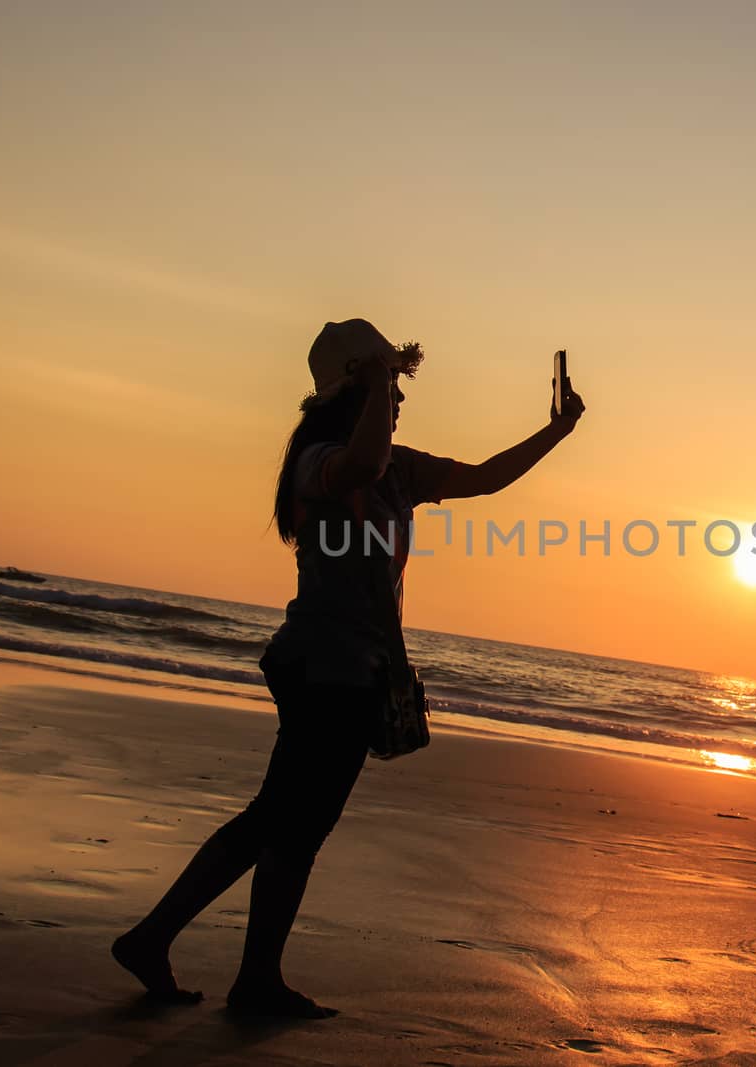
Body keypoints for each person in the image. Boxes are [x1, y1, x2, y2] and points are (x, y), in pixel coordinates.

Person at [112, 318, 586, 1016]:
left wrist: (558, 430)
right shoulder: (323, 461)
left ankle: (206, 958)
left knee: (283, 822)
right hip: (320, 668)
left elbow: (485, 480)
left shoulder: (399, 465)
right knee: (286, 823)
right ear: (352, 389)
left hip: (354, 671)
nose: (398, 397)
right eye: (387, 382)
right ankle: (220, 966)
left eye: (396, 383)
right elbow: (360, 465)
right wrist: (371, 391)